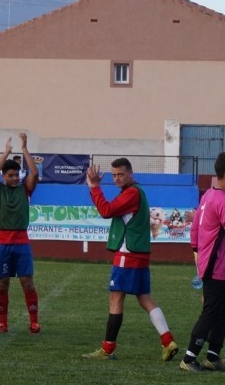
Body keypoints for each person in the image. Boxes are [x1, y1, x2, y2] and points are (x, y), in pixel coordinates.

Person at [83, 157, 178, 361]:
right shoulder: (135, 192)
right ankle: (168, 341)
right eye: (114, 175)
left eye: (121, 174)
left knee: (116, 298)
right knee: (144, 298)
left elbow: (106, 211)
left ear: (130, 174)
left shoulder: (132, 193)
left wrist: (94, 187)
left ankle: (107, 349)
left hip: (128, 255)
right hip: (139, 254)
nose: (117, 178)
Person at [0, 133, 41, 335]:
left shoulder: (25, 189)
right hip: (1, 244)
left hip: (21, 243)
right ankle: (3, 323)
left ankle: (34, 322)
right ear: (4, 176)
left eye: (16, 175)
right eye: (9, 175)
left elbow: (34, 174)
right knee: (2, 285)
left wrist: (24, 149)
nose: (14, 178)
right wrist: (6, 152)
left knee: (27, 282)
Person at [179, 152, 225, 371]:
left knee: (219, 312)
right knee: (210, 312)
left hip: (211, 266)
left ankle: (213, 356)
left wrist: (200, 257)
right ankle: (189, 359)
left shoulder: (208, 195)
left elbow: (195, 231)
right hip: (218, 268)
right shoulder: (222, 200)